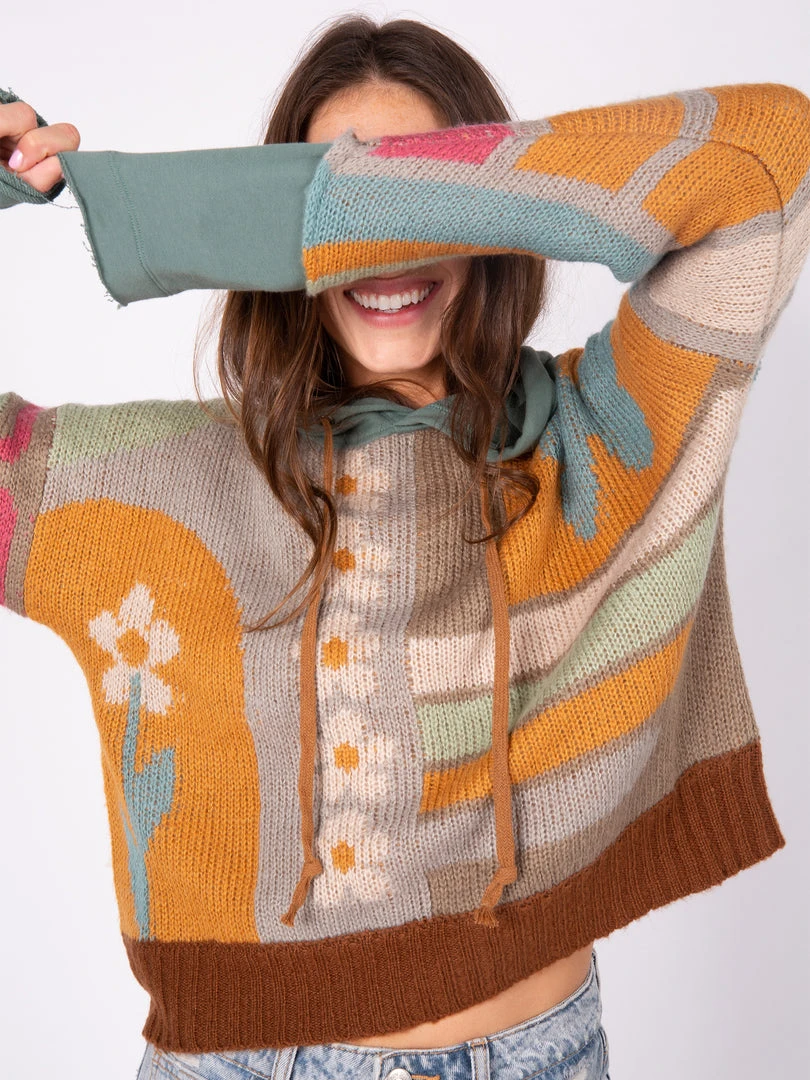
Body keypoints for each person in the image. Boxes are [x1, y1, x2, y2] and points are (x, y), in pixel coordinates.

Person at [1, 13, 808, 1080]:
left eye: (424, 193)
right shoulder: (166, 482)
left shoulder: (608, 437)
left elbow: (766, 160)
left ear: (492, 212)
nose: (383, 247)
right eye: (339, 205)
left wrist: (220, 205)